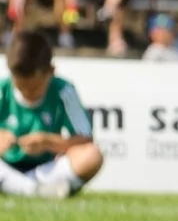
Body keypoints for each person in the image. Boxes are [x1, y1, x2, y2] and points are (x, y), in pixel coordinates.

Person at [0, 30, 103, 198]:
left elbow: (85, 139)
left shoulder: (64, 91)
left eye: (34, 88)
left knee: (92, 155)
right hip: (5, 167)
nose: (27, 93)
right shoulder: (2, 90)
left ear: (51, 72)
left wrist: (48, 142)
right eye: (20, 87)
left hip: (46, 170)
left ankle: (18, 187)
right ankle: (33, 190)